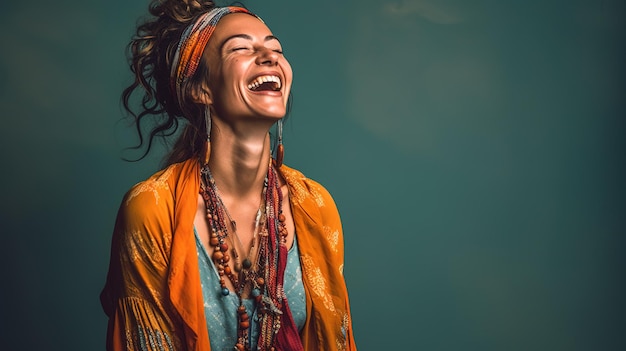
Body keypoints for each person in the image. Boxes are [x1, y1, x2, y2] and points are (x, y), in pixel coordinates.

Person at [100, 1, 357, 350]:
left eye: (275, 48)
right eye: (241, 48)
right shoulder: (153, 210)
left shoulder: (314, 206)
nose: (269, 57)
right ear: (199, 89)